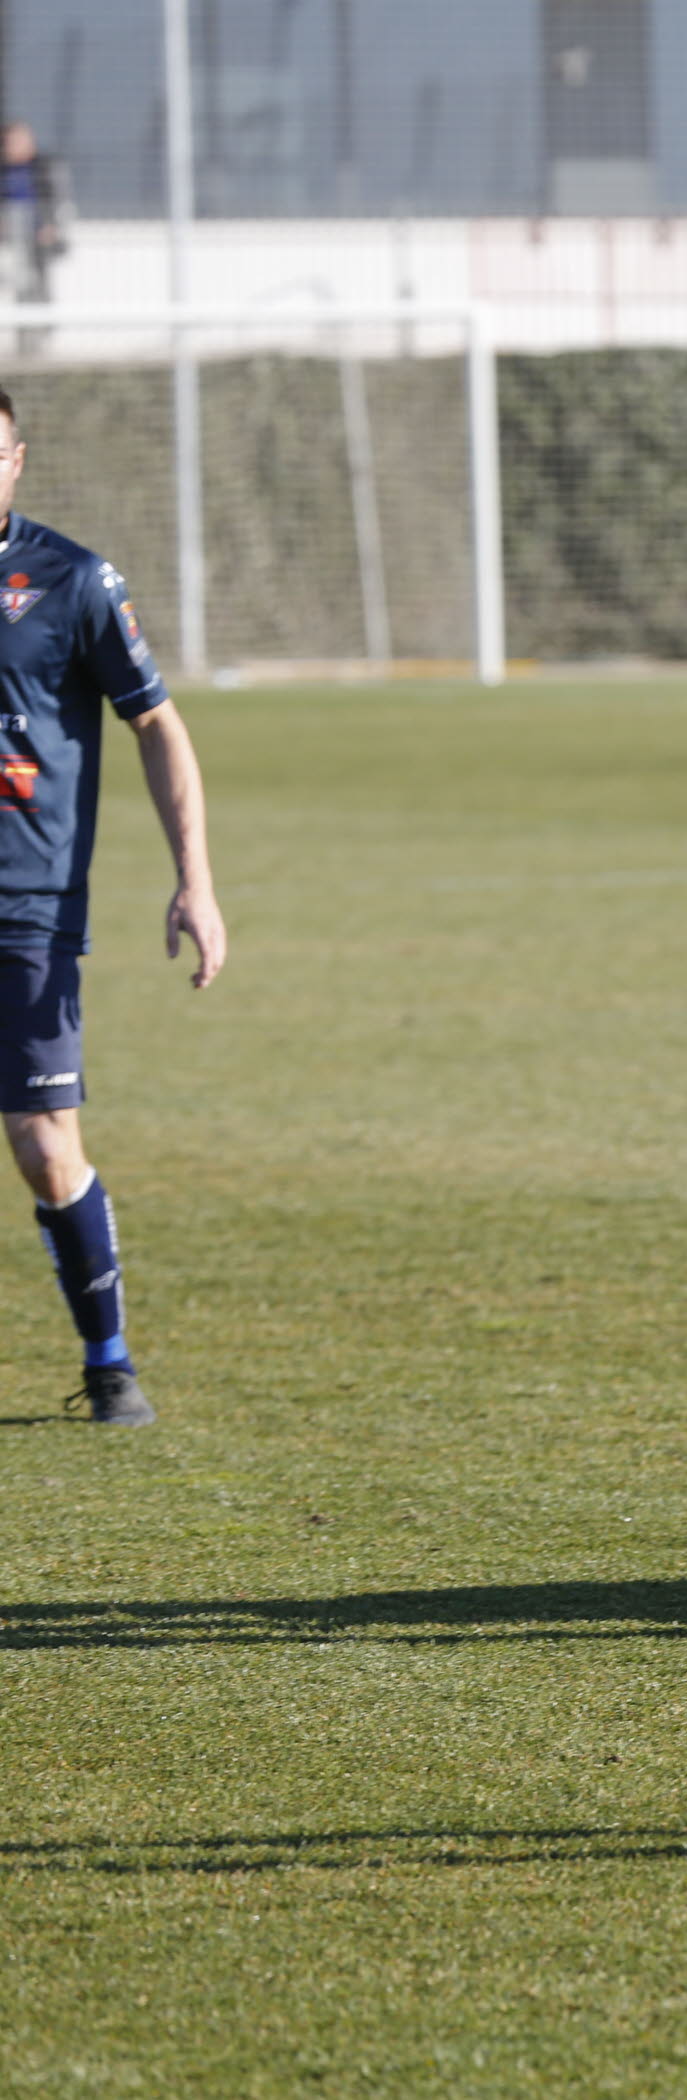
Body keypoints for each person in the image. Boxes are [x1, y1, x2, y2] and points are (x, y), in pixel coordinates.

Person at [0, 390, 225, 1428]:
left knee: (47, 1146)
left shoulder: (74, 580)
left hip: (26, 904)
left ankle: (109, 1362)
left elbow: (159, 727)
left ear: (18, 459)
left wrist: (197, 878)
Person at [0, 123, 71, 332]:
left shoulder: (44, 167)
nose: (12, 146)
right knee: (16, 283)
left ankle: (42, 331)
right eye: (9, 142)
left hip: (38, 238)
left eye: (18, 140)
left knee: (38, 286)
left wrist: (51, 226)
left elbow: (58, 200)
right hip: (10, 239)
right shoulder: (4, 171)